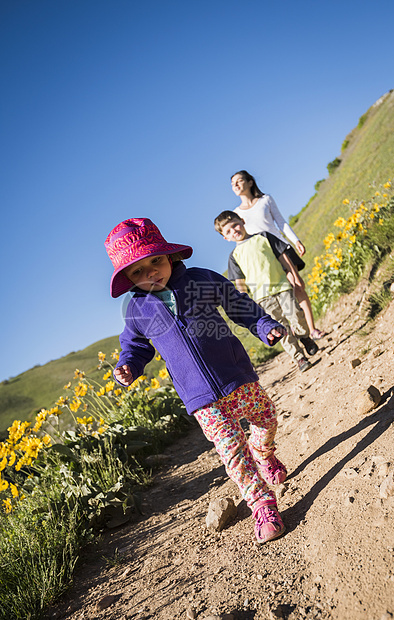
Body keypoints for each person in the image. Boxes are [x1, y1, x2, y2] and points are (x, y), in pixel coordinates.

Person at [105, 217, 290, 544]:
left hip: (236, 378)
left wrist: (263, 326)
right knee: (232, 452)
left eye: (155, 261)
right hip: (201, 399)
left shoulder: (201, 280)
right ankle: (261, 504)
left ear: (169, 256)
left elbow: (239, 305)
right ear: (127, 277)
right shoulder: (136, 310)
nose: (150, 273)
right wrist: (128, 367)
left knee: (267, 419)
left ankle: (264, 451)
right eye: (138, 270)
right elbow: (134, 348)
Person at [214, 210, 318, 373]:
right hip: (262, 297)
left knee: (296, 315)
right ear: (225, 237)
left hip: (282, 286)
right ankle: (299, 358)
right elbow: (240, 282)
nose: (234, 230)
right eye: (228, 231)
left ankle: (304, 336)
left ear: (242, 221)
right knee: (280, 327)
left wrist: (295, 275)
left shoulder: (264, 236)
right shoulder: (234, 256)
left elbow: (283, 256)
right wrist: (244, 301)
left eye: (235, 225)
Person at [231, 170, 325, 340]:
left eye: (239, 181)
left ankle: (312, 329)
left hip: (280, 248)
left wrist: (295, 240)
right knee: (282, 295)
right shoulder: (236, 213)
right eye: (232, 184)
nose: (235, 185)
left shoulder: (266, 200)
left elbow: (281, 222)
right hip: (263, 256)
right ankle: (295, 333)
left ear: (250, 182)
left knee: (298, 285)